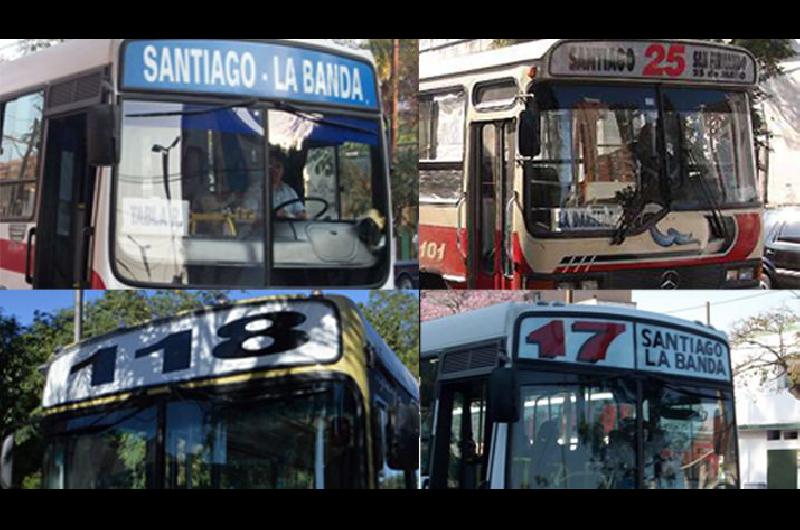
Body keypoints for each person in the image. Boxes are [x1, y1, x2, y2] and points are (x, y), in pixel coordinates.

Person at [270, 153, 307, 220]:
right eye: (270, 166)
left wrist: (288, 215)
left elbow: (301, 214)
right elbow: (245, 215)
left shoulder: (289, 191)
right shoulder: (255, 191)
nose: (274, 170)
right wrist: (266, 218)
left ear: (283, 170)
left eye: (278, 167)